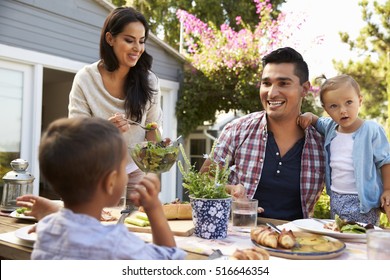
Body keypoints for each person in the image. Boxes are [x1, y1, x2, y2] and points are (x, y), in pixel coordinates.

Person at [25, 117, 186, 260]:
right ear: (110, 182)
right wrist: (154, 208)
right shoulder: (117, 245)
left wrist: (53, 212)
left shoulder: (45, 230)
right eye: (123, 166)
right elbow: (169, 260)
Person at [200, 47, 325, 221]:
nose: (272, 93)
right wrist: (231, 191)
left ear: (304, 89)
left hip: (296, 241)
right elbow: (204, 179)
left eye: (283, 83)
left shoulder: (322, 143)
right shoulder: (238, 130)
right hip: (239, 236)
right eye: (266, 83)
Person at [68, 7, 162, 185]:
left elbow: (152, 130)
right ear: (110, 38)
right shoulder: (85, 79)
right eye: (129, 40)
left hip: (136, 171)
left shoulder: (149, 81)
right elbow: (75, 137)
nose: (137, 48)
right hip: (95, 172)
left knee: (136, 214)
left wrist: (159, 144)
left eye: (142, 41)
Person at [298, 74, 390, 225]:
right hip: (336, 198)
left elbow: (385, 161)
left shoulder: (371, 130)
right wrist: (309, 116)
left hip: (363, 202)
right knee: (340, 236)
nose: (343, 110)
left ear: (360, 101)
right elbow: (317, 121)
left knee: (362, 238)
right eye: (334, 106)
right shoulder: (329, 127)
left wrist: (387, 189)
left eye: (349, 102)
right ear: (326, 109)